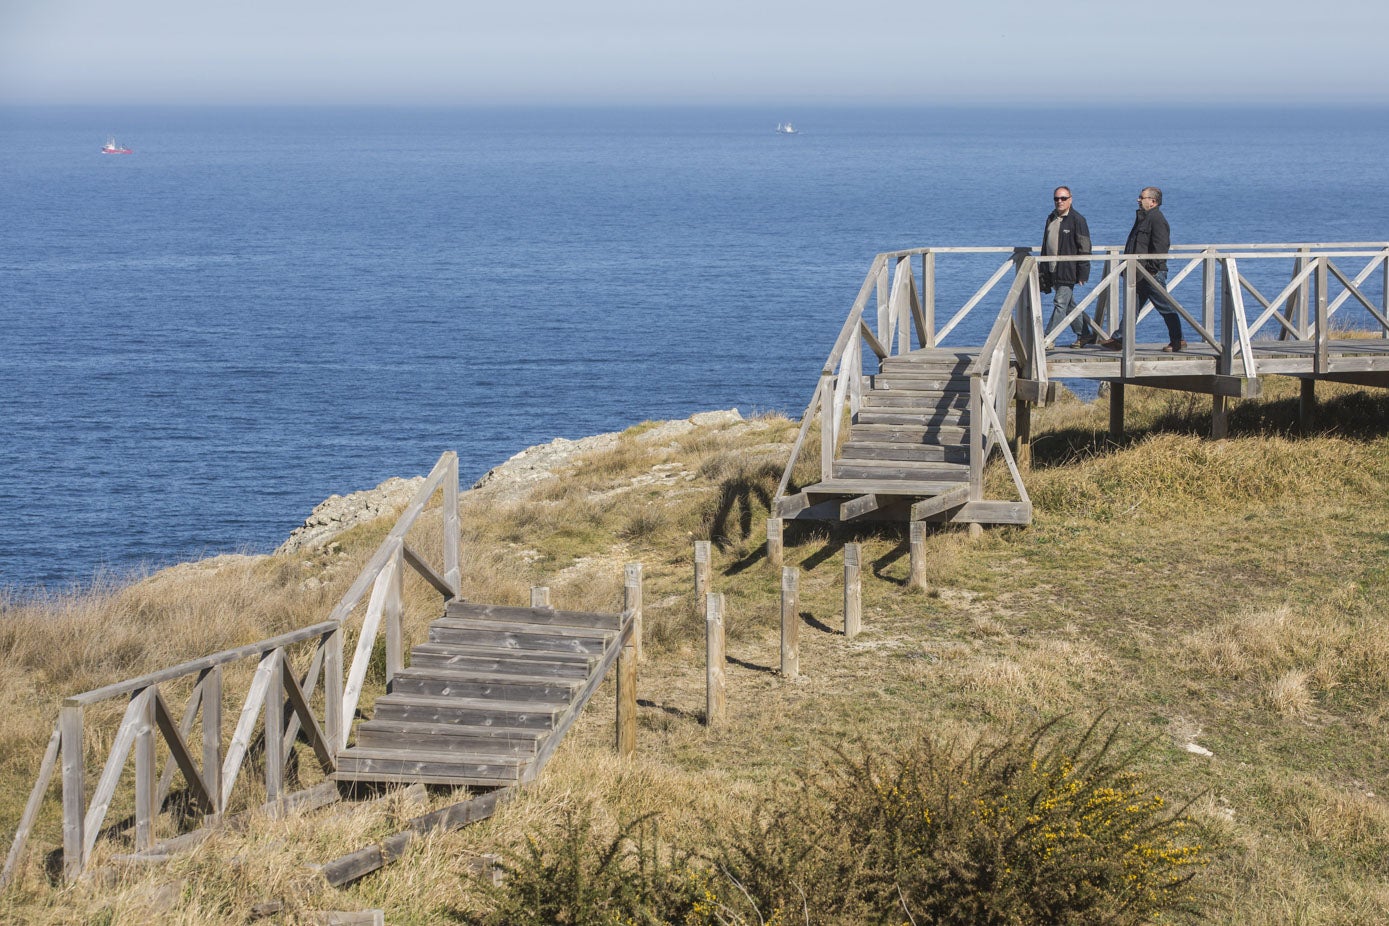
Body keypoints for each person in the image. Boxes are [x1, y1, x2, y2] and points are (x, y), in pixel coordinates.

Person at [1103, 186, 1185, 352]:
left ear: (1153, 202)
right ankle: (1120, 339)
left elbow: (1161, 246)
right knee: (1133, 306)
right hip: (1140, 272)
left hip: (1150, 273)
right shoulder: (1144, 218)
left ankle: (1178, 340)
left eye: (1142, 197)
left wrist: (1152, 269)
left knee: (1165, 306)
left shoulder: (1157, 220)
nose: (1138, 200)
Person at [1039, 186, 1094, 347]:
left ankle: (1048, 338)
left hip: (1068, 269)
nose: (1059, 201)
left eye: (1063, 198)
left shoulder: (1078, 220)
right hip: (1052, 268)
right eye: (1056, 198)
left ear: (1070, 199)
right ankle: (1084, 334)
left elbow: (1085, 247)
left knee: (1060, 303)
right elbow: (1045, 244)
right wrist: (1042, 268)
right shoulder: (1051, 218)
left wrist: (1083, 272)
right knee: (1069, 304)